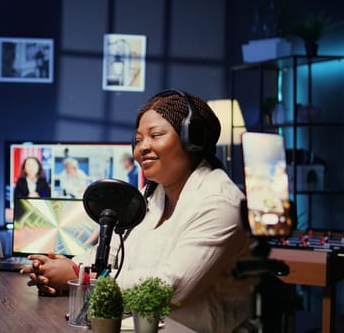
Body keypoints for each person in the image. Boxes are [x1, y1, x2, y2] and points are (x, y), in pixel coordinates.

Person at [21, 89, 254, 333]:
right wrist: (60, 269)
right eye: (138, 139)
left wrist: (81, 280)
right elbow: (111, 253)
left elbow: (169, 289)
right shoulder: (151, 194)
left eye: (155, 135)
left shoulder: (221, 203)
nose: (142, 148)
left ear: (192, 138)